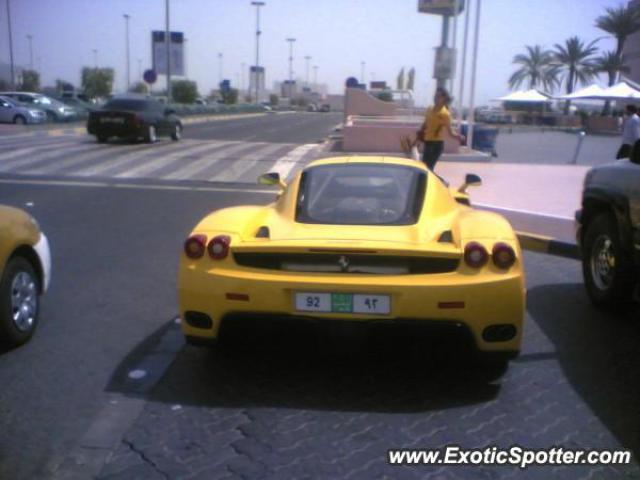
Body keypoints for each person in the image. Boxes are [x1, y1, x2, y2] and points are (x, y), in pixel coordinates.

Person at [416, 87, 465, 170]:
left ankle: (438, 181)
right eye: (435, 96)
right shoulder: (429, 109)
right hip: (428, 142)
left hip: (437, 144)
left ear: (443, 99)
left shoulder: (445, 114)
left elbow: (450, 131)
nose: (435, 98)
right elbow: (425, 123)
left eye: (438, 96)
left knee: (428, 168)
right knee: (425, 168)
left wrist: (458, 137)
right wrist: (420, 133)